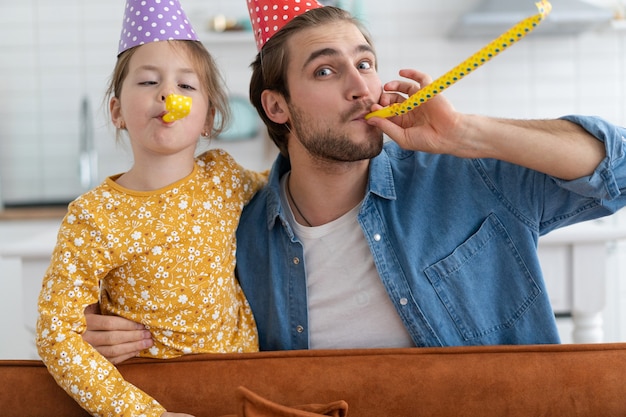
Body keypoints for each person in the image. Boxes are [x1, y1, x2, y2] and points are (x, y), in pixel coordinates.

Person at [83, 0, 626, 358]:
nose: (361, 88)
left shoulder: (465, 175)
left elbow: (617, 170)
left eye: (365, 63)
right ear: (277, 106)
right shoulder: (240, 232)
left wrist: (466, 133)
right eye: (326, 70)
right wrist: (100, 326)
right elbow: (171, 313)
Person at [35, 1, 266, 416]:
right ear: (117, 111)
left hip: (238, 389)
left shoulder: (225, 177)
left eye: (186, 86)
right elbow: (57, 332)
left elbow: (291, 185)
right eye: (147, 82)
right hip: (149, 394)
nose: (167, 94)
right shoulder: (93, 216)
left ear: (209, 117)